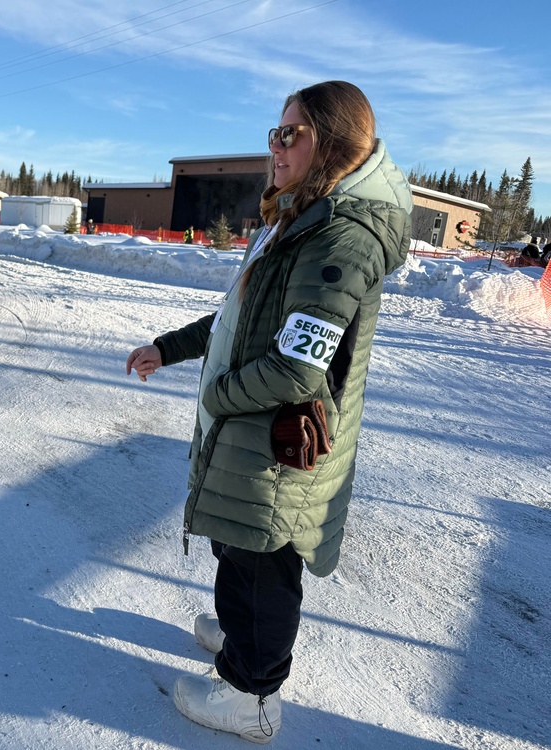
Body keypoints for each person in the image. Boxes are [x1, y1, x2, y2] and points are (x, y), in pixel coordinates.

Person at [125, 81, 412, 743]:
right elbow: (238, 318)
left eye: (293, 134)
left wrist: (216, 397)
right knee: (240, 548)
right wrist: (168, 349)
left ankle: (252, 697)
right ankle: (237, 635)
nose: (276, 148)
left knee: (263, 559)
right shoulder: (295, 220)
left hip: (280, 443)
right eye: (274, 134)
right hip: (248, 428)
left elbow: (297, 367)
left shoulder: (341, 238)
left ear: (334, 145)